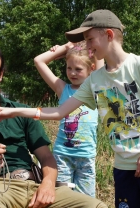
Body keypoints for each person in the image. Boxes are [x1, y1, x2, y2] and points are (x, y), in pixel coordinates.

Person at [0, 10, 140, 208]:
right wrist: (13, 111)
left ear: (109, 35)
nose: (86, 46)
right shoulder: (95, 80)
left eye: (89, 39)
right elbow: (60, 112)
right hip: (124, 168)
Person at [0, 42, 107, 208]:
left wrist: (47, 184)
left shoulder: (20, 111)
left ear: (1, 74)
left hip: (34, 185)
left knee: (96, 205)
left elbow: (46, 157)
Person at [34, 41, 103, 197]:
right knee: (62, 199)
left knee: (86, 202)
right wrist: (64, 48)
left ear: (91, 69)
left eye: (78, 69)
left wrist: (92, 43)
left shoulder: (95, 88)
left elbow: (100, 59)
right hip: (62, 156)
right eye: (69, 68)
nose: (72, 73)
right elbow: (39, 61)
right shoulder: (62, 88)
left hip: (86, 157)